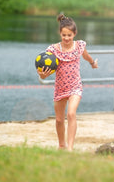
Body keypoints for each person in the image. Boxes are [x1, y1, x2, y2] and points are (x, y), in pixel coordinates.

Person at [37, 14, 98, 151]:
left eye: (69, 35)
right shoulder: (53, 49)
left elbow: (86, 56)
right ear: (60, 34)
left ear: (74, 34)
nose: (66, 38)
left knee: (71, 114)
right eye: (64, 35)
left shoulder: (79, 46)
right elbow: (42, 67)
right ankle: (61, 145)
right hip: (60, 88)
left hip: (75, 86)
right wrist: (42, 74)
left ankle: (70, 147)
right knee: (59, 120)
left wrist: (93, 63)